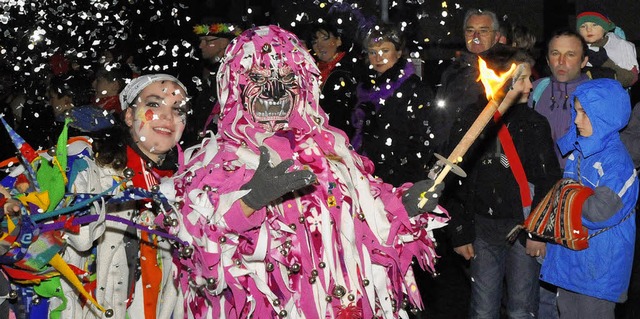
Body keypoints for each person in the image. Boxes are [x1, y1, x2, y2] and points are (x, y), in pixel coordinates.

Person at [164, 25, 447, 319]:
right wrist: (249, 203)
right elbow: (197, 253)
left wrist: (405, 206)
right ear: (236, 83)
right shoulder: (218, 158)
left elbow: (368, 218)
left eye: (287, 78)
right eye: (258, 78)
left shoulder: (329, 149)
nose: (274, 91)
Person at [1, 74, 189, 319]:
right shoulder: (84, 161)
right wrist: (15, 214)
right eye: (153, 104)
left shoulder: (184, 186)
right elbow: (23, 194)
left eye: (178, 109)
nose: (167, 116)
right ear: (129, 115)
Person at [447, 47, 561, 318]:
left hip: (521, 229)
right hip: (482, 230)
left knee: (522, 308)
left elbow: (548, 179)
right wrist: (460, 231)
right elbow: (454, 179)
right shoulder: (471, 119)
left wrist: (536, 232)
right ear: (501, 80)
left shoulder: (534, 123)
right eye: (522, 78)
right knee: (483, 308)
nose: (530, 85)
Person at [541, 78, 638, 319]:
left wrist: (564, 198)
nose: (576, 119)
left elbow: (600, 211)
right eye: (576, 111)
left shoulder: (617, 163)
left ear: (605, 116)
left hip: (599, 267)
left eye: (584, 113)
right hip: (571, 260)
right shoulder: (579, 150)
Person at [352, 23, 442, 186]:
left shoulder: (414, 88)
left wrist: (405, 182)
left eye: (385, 51)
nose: (378, 58)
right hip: (369, 175)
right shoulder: (364, 88)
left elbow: (422, 140)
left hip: (399, 179)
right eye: (373, 52)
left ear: (399, 52)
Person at [529, 29, 590, 169]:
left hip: (580, 180)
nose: (561, 61)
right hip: (540, 179)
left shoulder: (595, 95)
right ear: (547, 60)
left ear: (583, 61)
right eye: (555, 53)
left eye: (570, 54)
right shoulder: (535, 89)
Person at [183, 19, 243, 147]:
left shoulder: (234, 73)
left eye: (207, 41)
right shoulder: (201, 69)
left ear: (223, 42)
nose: (201, 46)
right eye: (201, 41)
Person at [309, 22, 361, 137]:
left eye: (325, 39)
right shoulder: (312, 71)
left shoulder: (349, 71)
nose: (320, 46)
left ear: (338, 41)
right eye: (315, 42)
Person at [576, 10, 638, 88]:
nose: (588, 29)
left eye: (594, 24)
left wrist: (605, 62)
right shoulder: (575, 49)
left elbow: (630, 79)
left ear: (604, 28)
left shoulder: (619, 45)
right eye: (583, 26)